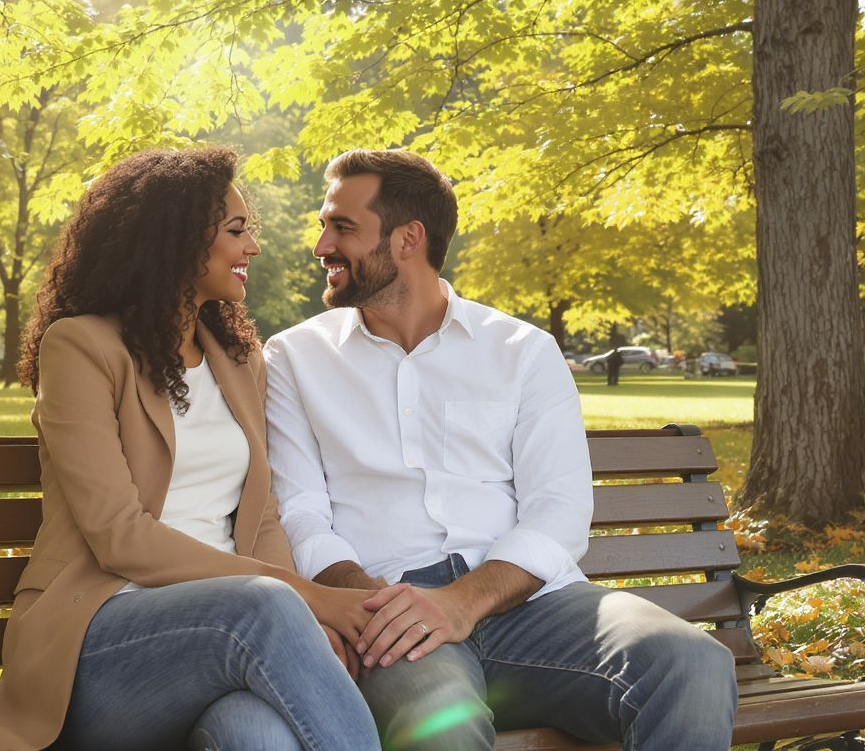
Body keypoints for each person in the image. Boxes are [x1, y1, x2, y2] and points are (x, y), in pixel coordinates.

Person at [264, 148, 737, 751]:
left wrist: (464, 601)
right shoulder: (295, 358)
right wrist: (374, 605)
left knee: (692, 663)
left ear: (409, 238)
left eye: (342, 227)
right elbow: (299, 510)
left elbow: (559, 509)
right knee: (444, 725)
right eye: (325, 225)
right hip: (386, 608)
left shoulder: (521, 350)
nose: (322, 245)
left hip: (535, 604)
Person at [0, 147, 379, 751]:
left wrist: (305, 616)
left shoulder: (239, 361)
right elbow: (119, 534)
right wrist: (307, 598)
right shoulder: (82, 348)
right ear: (176, 239)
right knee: (264, 606)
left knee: (258, 736)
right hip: (99, 642)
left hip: (226, 645)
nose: (253, 248)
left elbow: (262, 514)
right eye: (236, 231)